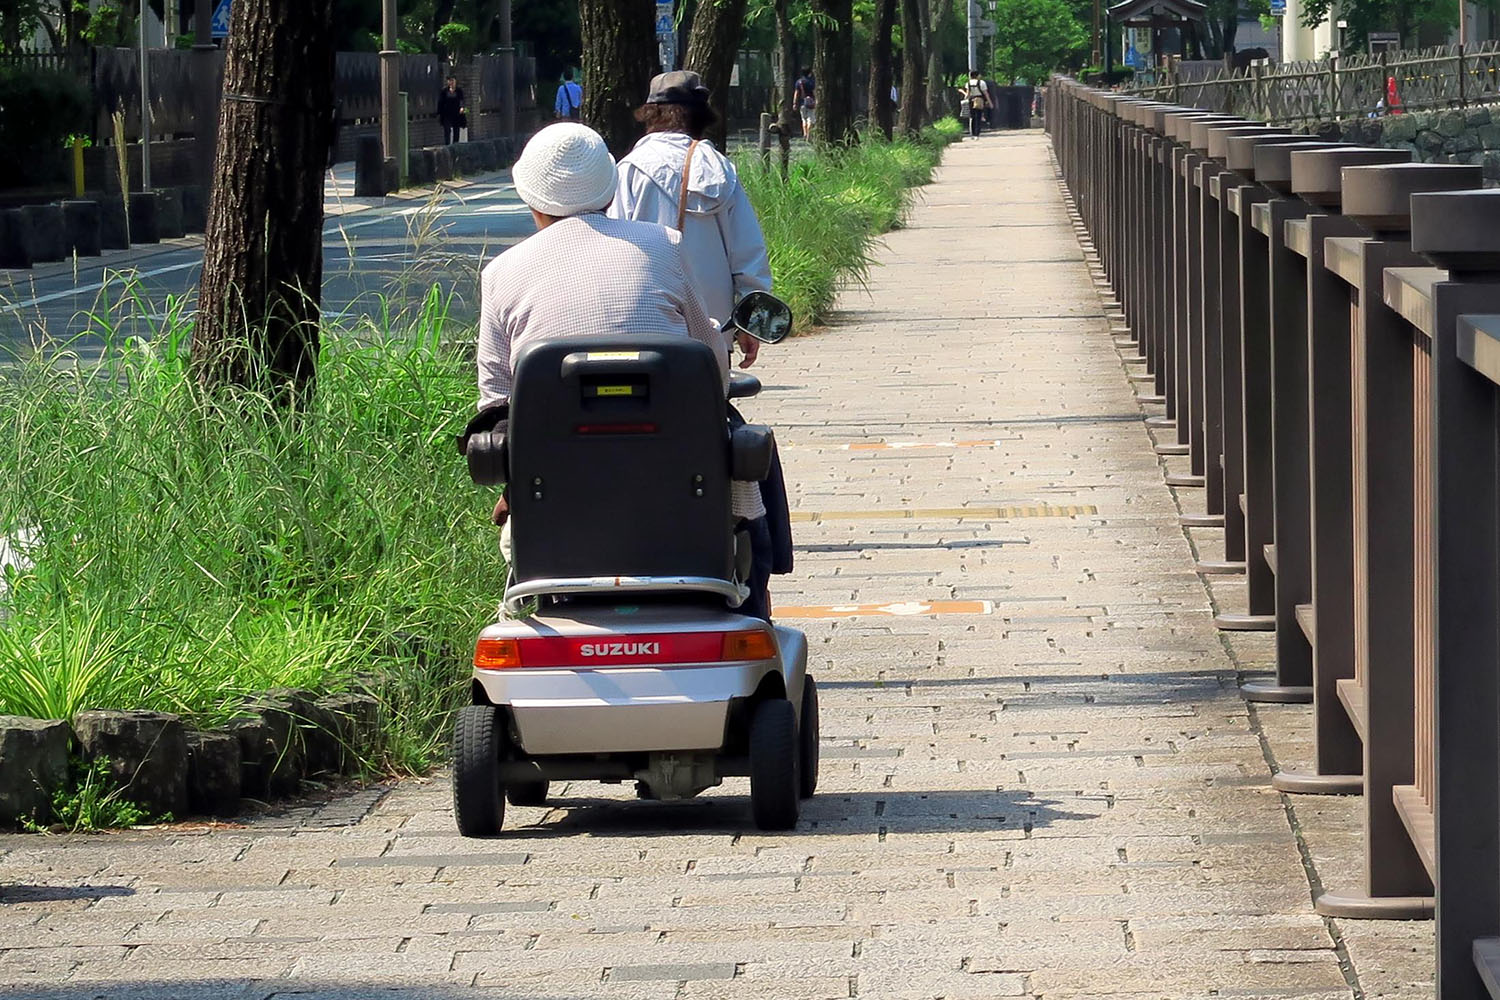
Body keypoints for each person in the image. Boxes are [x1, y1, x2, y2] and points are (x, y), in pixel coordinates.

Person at [476, 124, 774, 617]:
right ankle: (751, 609)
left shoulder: (502, 272)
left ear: (529, 197)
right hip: (679, 475)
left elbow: (495, 402)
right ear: (611, 189)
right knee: (749, 492)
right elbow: (707, 366)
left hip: (554, 489)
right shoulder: (663, 245)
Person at [609, 70, 785, 620]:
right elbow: (747, 255)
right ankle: (740, 558)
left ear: (651, 114)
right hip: (706, 340)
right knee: (723, 446)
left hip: (634, 336)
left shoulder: (624, 171)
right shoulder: (719, 171)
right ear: (699, 116)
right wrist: (752, 320)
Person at [959, 70, 989, 138]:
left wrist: (962, 92)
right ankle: (977, 133)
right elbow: (986, 93)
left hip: (971, 101)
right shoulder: (982, 83)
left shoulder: (968, 83)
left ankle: (973, 133)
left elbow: (967, 95)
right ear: (977, 75)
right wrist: (989, 102)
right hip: (979, 100)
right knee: (978, 116)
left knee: (972, 117)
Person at [438, 76, 465, 145]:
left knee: (456, 130)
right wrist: (439, 112)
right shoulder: (444, 91)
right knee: (447, 130)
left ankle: (455, 145)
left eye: (453, 81)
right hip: (447, 114)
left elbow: (461, 100)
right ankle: (447, 145)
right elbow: (441, 102)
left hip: (456, 113)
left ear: (455, 82)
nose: (451, 82)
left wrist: (462, 108)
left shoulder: (459, 91)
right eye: (450, 81)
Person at [793, 67, 815, 140]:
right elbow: (815, 91)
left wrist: (795, 103)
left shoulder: (799, 82)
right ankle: (809, 135)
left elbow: (796, 93)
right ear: (809, 73)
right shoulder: (812, 82)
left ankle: (805, 133)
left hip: (802, 103)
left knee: (804, 119)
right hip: (811, 103)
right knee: (810, 120)